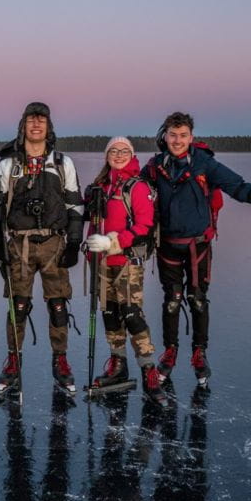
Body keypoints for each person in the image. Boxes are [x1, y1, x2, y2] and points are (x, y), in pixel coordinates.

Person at [144, 112, 251, 388]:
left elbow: (240, 188)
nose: (177, 140)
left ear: (191, 137)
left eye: (183, 135)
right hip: (167, 246)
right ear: (164, 135)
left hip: (198, 247)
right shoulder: (154, 167)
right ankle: (170, 351)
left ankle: (199, 353)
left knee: (198, 299)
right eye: (172, 134)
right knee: (172, 300)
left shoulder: (205, 164)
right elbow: (134, 193)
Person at [0, 102, 84, 396]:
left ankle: (61, 359)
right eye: (31, 119)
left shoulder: (62, 162)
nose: (36, 124)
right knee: (18, 305)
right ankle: (14, 361)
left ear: (48, 127)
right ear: (23, 126)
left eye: (42, 120)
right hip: (19, 244)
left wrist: (75, 242)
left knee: (57, 305)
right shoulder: (8, 165)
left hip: (54, 243)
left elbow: (75, 204)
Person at [84, 137, 168, 406]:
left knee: (132, 315)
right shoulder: (101, 186)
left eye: (124, 151)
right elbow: (91, 220)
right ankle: (118, 364)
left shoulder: (138, 186)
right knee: (110, 314)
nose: (118, 155)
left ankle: (149, 371)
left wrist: (112, 242)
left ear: (131, 155)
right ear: (107, 154)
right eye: (113, 150)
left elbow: (145, 225)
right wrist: (88, 247)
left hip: (127, 262)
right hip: (101, 264)